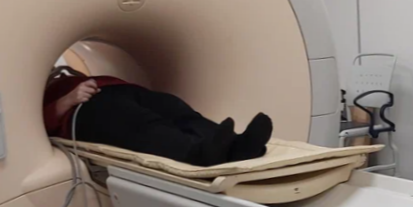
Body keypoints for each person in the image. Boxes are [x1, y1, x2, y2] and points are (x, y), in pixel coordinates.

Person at [43, 67, 273, 166]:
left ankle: (238, 146)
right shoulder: (30, 93)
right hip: (82, 108)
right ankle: (198, 154)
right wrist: (67, 100)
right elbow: (34, 125)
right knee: (141, 124)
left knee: (175, 109)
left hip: (116, 88)